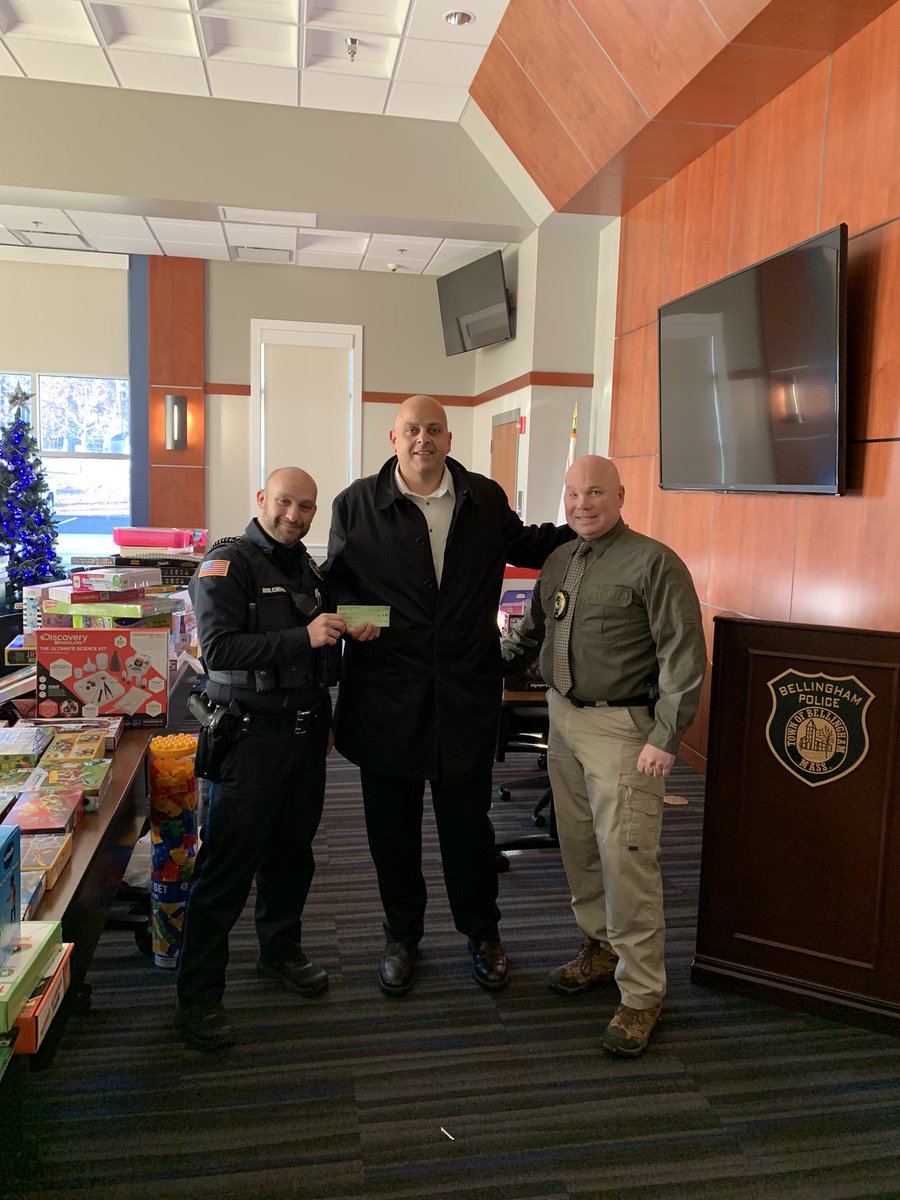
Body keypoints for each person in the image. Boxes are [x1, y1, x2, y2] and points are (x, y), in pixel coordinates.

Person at [324, 395, 573, 996]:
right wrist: (362, 623)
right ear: (393, 437)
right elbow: (337, 589)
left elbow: (530, 544)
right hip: (387, 696)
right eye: (412, 430)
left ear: (449, 438)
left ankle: (482, 934)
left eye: (433, 429)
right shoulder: (355, 504)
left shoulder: (483, 498)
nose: (422, 440)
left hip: (464, 694)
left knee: (469, 828)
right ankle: (400, 936)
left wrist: (593, 524)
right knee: (393, 831)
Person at [501, 455, 706, 1057]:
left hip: (625, 730)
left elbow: (684, 659)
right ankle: (600, 946)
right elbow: (530, 633)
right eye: (571, 494)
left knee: (628, 859)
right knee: (581, 847)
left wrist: (665, 738)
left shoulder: (654, 561)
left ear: (621, 495)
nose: (581, 504)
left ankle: (641, 995)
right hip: (564, 720)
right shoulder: (560, 559)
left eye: (594, 492)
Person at [175, 467, 361, 1052]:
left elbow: (332, 628)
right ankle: (199, 995)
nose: (295, 515)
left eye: (306, 507)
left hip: (305, 736)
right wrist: (303, 637)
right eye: (285, 502)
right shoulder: (225, 564)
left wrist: (370, 625)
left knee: (291, 856)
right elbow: (222, 646)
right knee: (226, 869)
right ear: (261, 499)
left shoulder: (305, 565)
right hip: (248, 740)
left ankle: (279, 951)